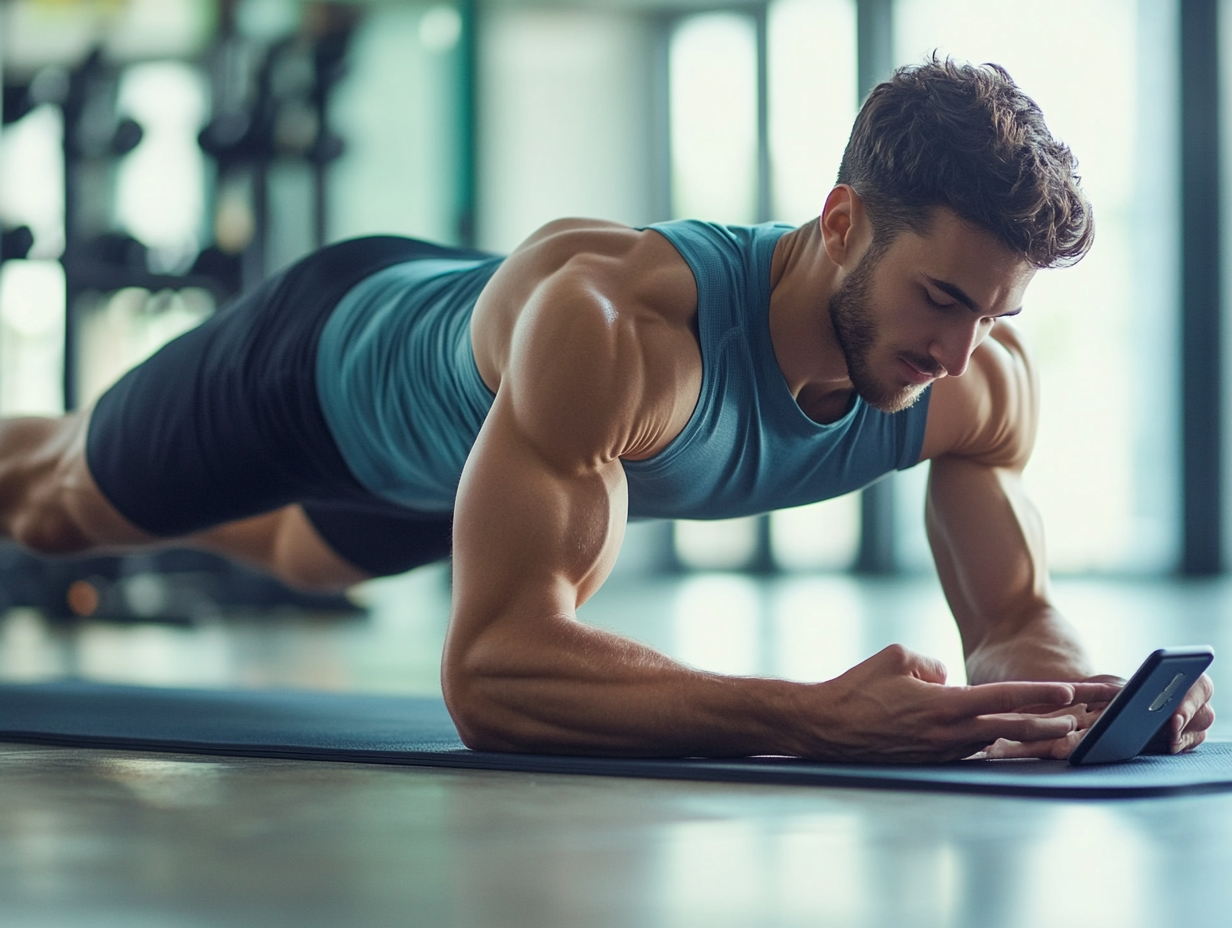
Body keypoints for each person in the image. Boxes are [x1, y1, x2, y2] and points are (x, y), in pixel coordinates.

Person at [0, 58, 1213, 762]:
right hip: (321, 367)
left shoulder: (972, 383)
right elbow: (489, 673)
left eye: (992, 316)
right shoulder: (622, 331)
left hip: (443, 472)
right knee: (57, 508)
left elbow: (1012, 614)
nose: (957, 355)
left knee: (309, 562)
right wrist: (814, 717)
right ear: (842, 223)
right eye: (939, 297)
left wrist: (1068, 704)